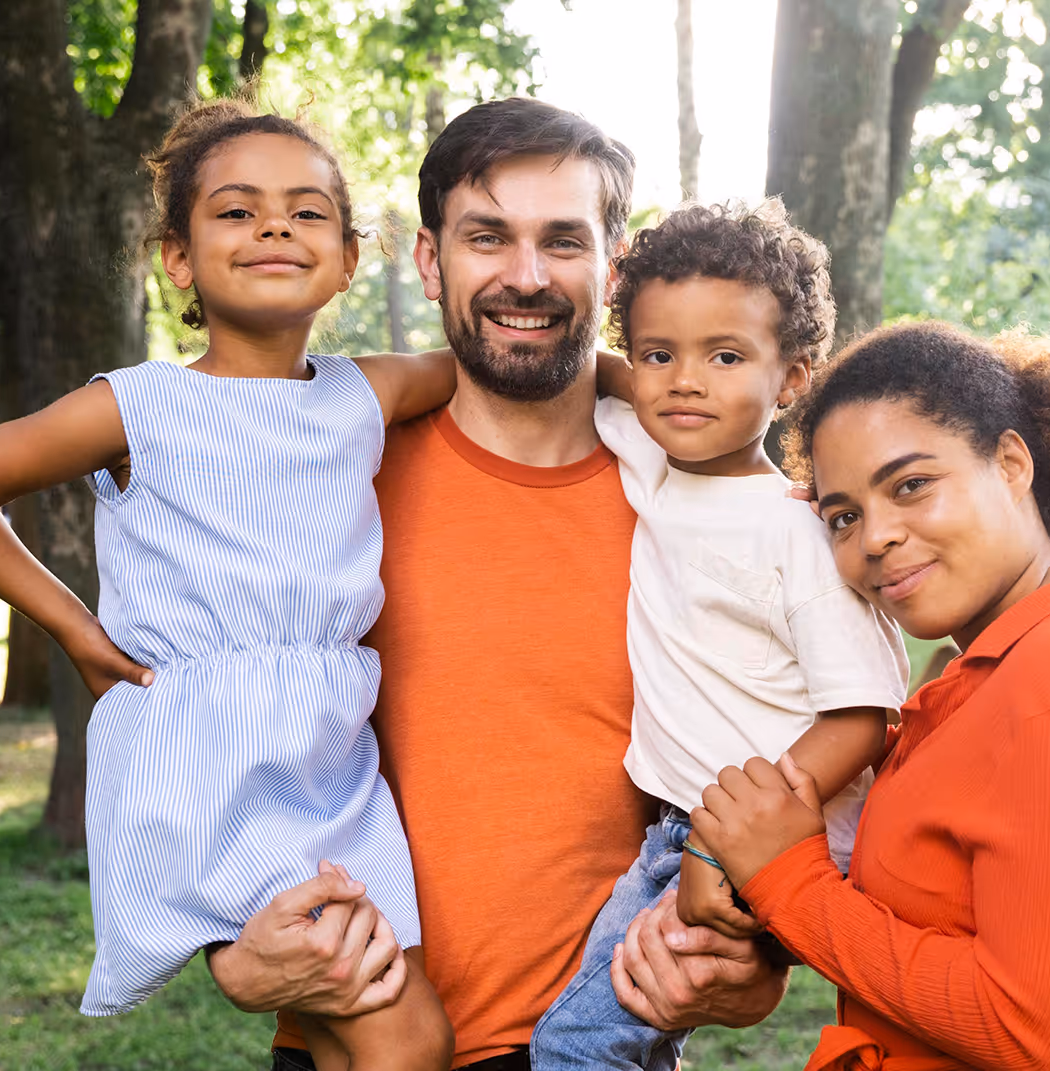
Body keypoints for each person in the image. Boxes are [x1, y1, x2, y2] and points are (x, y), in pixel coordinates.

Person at [203, 97, 790, 1071]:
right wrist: (230, 950)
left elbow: (780, 756)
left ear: (614, 264)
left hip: (590, 1044)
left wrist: (754, 966)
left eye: (563, 240)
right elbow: (198, 726)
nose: (526, 276)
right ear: (432, 260)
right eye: (488, 237)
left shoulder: (699, 497)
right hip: (349, 1032)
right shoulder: (324, 470)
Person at [0, 98, 457, 1071]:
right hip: (215, 754)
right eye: (237, 212)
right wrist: (74, 630)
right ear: (177, 258)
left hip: (331, 754)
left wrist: (629, 377)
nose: (275, 228)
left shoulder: (367, 390)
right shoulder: (140, 404)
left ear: (348, 257)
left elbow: (501, 372)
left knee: (346, 1031)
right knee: (401, 1031)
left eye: (306, 212)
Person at [692, 322, 1050, 1069]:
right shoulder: (981, 670)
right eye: (843, 515)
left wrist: (787, 881)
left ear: (1012, 463)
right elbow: (940, 912)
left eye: (911, 485)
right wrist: (761, 917)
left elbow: (1035, 1038)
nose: (875, 538)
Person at [530, 201, 909, 1071]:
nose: (685, 380)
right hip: (683, 830)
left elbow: (865, 716)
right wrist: (649, 364)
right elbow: (589, 371)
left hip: (750, 838)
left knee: (576, 1047)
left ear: (794, 379)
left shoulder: (796, 533)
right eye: (662, 353)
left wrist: (722, 846)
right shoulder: (650, 459)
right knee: (629, 1034)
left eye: (726, 356)